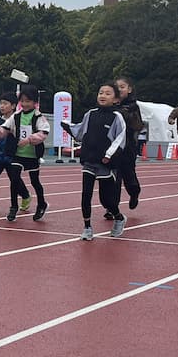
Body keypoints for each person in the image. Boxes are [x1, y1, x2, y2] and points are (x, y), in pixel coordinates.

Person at [61, 83, 127, 240]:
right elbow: (80, 132)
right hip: (89, 161)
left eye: (108, 93)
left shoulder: (117, 117)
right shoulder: (90, 114)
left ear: (116, 100)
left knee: (106, 200)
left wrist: (109, 155)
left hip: (105, 163)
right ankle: (87, 228)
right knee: (86, 195)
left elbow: (120, 138)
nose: (103, 95)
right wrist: (67, 126)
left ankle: (118, 217)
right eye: (101, 92)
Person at [0, 87, 51, 221]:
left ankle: (41, 204)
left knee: (35, 181)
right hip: (17, 154)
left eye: (28, 101)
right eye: (22, 101)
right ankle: (13, 206)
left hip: (32, 155)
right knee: (14, 179)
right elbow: (5, 128)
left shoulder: (38, 117)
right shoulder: (16, 116)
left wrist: (29, 140)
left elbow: (43, 133)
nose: (25, 104)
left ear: (34, 102)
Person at [0, 93, 30, 215]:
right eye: (1, 103)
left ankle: (25, 196)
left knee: (15, 180)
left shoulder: (17, 121)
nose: (2, 106)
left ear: (13, 106)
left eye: (5, 103)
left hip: (11, 156)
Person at [113, 76, 144, 211]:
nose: (119, 89)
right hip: (112, 147)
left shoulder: (133, 106)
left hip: (128, 146)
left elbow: (137, 125)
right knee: (114, 177)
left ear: (129, 89)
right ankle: (112, 207)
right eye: (117, 87)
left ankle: (134, 193)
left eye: (122, 87)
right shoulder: (110, 105)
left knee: (128, 175)